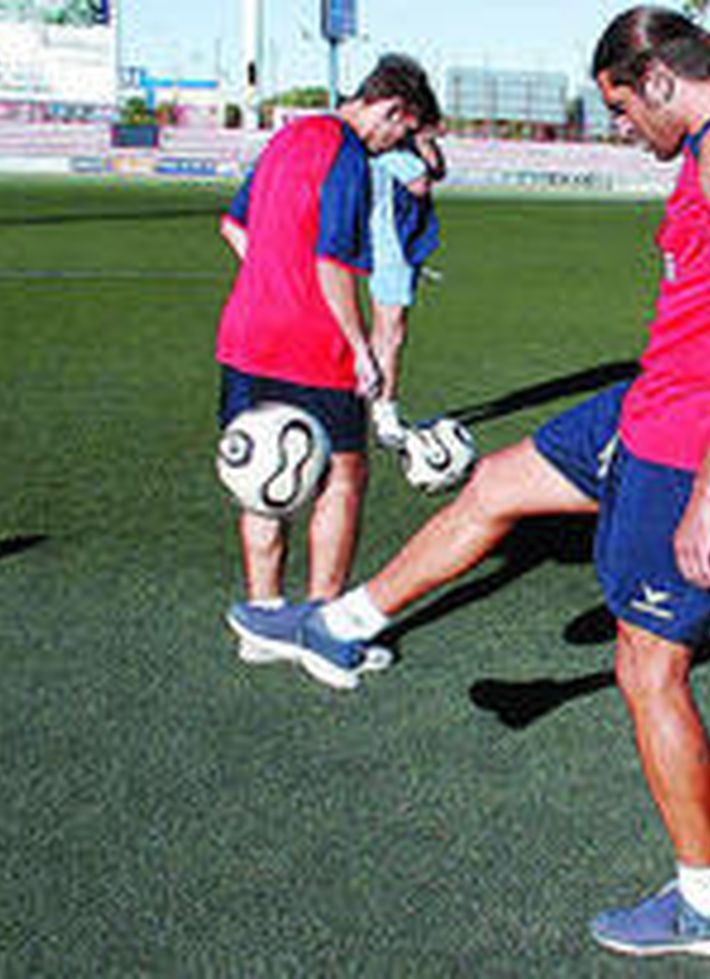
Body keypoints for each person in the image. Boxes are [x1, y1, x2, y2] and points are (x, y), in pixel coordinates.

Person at [228, 5, 710, 957]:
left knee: (651, 670)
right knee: (497, 485)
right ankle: (339, 627)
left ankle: (707, 901)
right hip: (648, 405)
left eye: (624, 111)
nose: (627, 132)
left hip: (682, 442)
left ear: (658, 81)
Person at [216, 55, 439, 687]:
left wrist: (269, 279)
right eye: (405, 131)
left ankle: (264, 619)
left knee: (260, 474)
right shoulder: (346, 154)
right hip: (312, 346)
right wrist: (362, 348)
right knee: (344, 476)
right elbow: (332, 261)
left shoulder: (288, 136)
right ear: (392, 110)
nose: (399, 145)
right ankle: (322, 625)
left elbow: (235, 227)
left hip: (245, 336)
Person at [368, 123, 447, 447]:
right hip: (393, 247)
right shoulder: (393, 153)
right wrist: (422, 141)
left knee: (383, 330)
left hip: (396, 246)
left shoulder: (401, 149)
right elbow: (421, 183)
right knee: (392, 332)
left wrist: (427, 143)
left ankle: (371, 404)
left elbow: (438, 170)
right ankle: (384, 410)